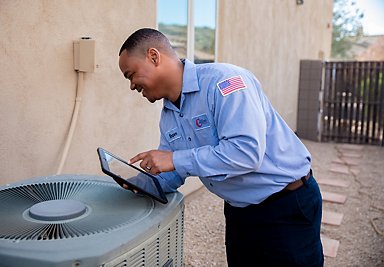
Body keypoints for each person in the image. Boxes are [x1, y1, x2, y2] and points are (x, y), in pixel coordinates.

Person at [118, 28, 324, 267]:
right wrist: (138, 185)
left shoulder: (224, 82)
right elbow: (172, 172)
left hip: (285, 205)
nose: (132, 86)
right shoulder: (169, 116)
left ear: (154, 56)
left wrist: (175, 159)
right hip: (239, 212)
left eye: (130, 74)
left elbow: (246, 153)